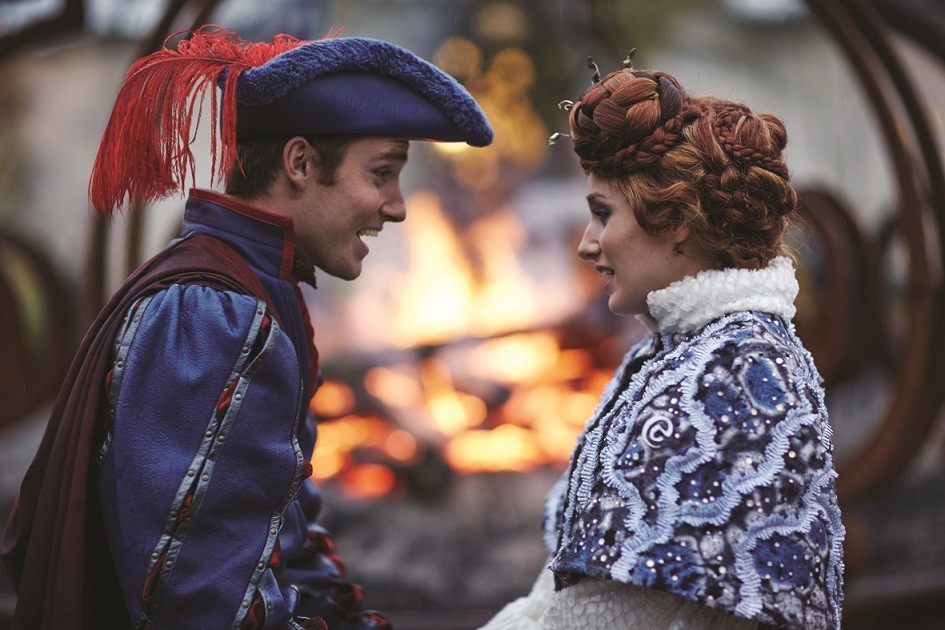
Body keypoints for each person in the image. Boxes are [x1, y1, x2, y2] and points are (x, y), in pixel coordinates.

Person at [1, 26, 492, 629]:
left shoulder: (257, 291)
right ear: (301, 163)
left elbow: (280, 534)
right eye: (382, 173)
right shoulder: (214, 314)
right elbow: (201, 601)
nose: (397, 204)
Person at [482, 54, 844, 629]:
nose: (586, 243)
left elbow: (603, 617)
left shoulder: (731, 372)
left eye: (603, 215)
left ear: (675, 216)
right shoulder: (691, 350)